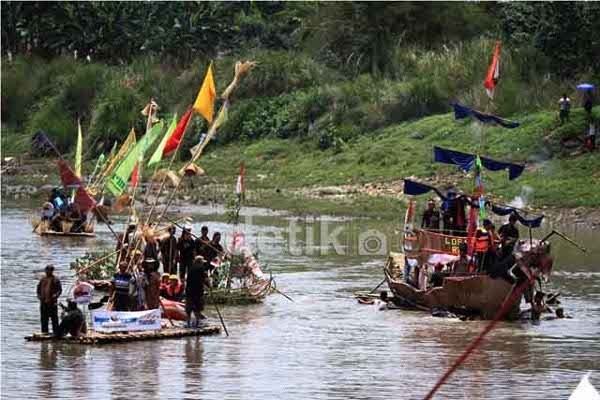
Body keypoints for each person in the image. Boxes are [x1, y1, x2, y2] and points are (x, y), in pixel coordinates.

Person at [37, 265, 62, 335]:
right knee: (44, 320)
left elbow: (59, 290)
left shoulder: (56, 280)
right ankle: (44, 333)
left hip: (52, 303)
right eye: (46, 270)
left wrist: (55, 296)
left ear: (52, 271)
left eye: (49, 270)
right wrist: (39, 296)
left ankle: (56, 334)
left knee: (54, 319)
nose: (47, 272)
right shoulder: (42, 280)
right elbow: (38, 289)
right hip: (43, 303)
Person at [185, 256, 209, 326]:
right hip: (198, 292)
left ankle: (188, 322)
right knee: (197, 308)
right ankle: (197, 323)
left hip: (189, 291)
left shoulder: (190, 268)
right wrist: (209, 286)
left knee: (189, 309)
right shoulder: (201, 269)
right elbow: (205, 279)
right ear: (200, 262)